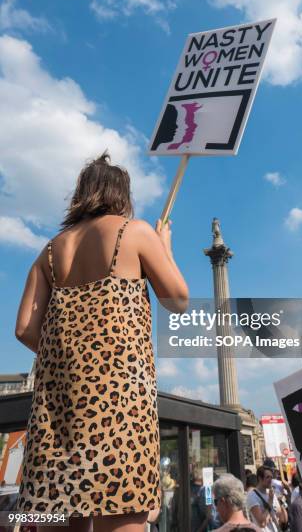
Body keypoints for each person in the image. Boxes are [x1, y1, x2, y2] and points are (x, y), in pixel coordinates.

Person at [14, 152, 189, 532]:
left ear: (82, 195)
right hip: (121, 408)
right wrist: (165, 248)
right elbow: (178, 300)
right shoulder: (135, 231)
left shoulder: (48, 251)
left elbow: (25, 328)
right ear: (120, 195)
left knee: (57, 512)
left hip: (58, 413)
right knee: (123, 515)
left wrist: (72, 355)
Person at [246, 466, 287, 532]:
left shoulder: (271, 493)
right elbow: (262, 523)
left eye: (271, 477)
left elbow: (283, 519)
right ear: (260, 478)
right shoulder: (252, 496)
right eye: (267, 477)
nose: (270, 480)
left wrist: (282, 502)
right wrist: (270, 501)